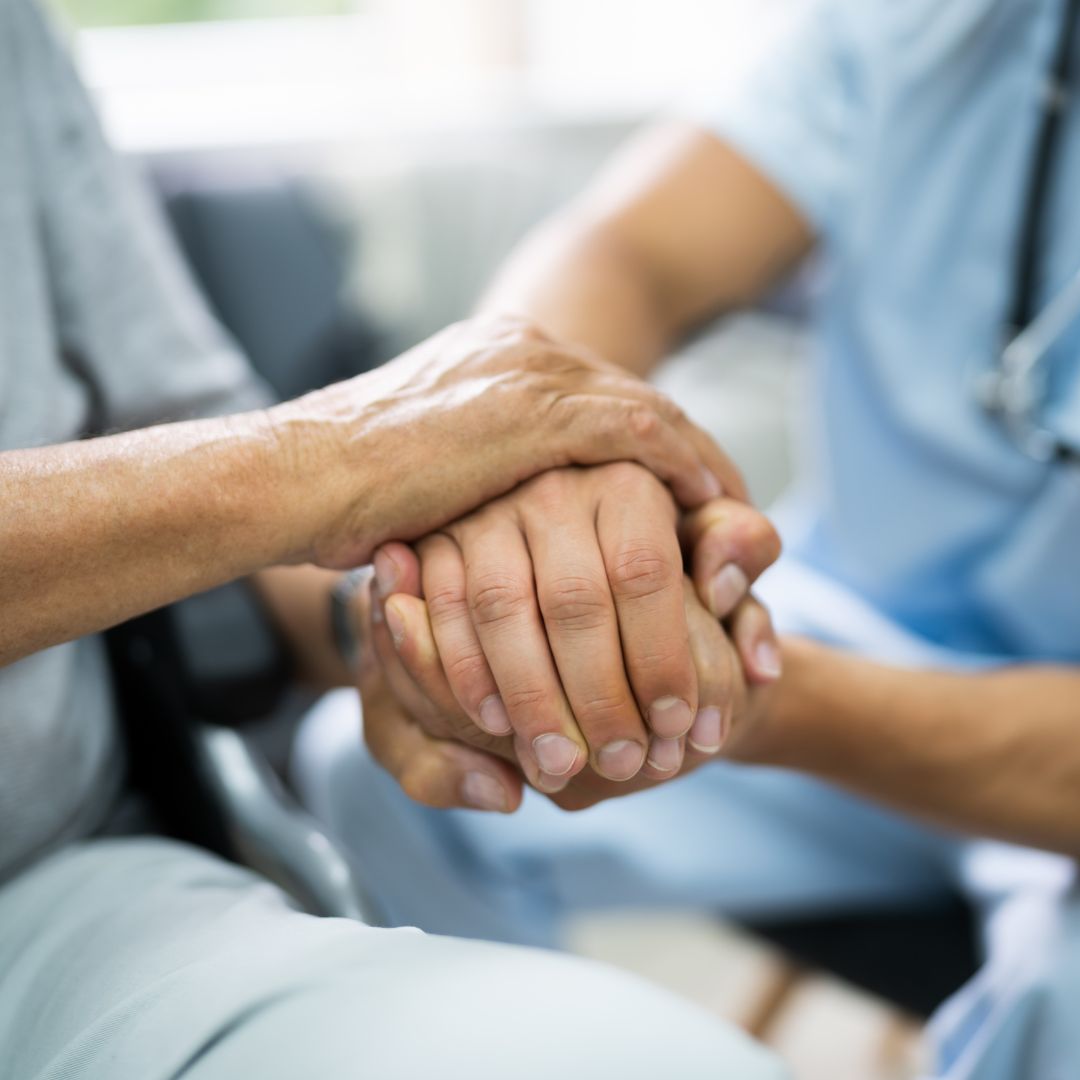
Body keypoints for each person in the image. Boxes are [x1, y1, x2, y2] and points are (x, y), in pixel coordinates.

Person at [0, 0, 794, 1076]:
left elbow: (207, 518)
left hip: (53, 904)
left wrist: (425, 630)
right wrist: (337, 457)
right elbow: (273, 488)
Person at [295, 1, 1080, 1077]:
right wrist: (537, 467)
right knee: (394, 760)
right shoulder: (930, 23)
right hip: (863, 617)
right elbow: (629, 251)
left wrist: (747, 693)